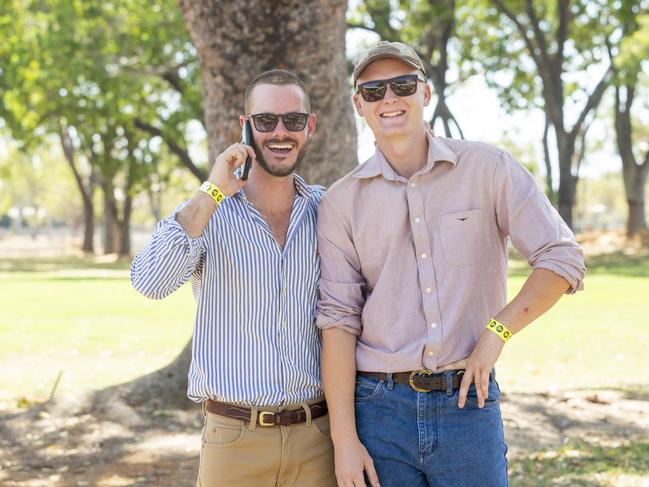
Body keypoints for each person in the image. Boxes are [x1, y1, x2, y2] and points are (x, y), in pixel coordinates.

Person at [316, 41, 586, 487]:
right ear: (358, 104)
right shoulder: (342, 203)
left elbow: (561, 257)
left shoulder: (488, 168)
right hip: (379, 411)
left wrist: (497, 332)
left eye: (402, 85)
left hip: (469, 403)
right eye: (374, 90)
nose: (389, 99)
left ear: (424, 93)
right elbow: (339, 321)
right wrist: (345, 440)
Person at [131, 69, 336, 487]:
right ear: (244, 126)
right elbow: (150, 282)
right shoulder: (209, 213)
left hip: (319, 437)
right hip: (234, 440)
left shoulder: (328, 211)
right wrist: (212, 191)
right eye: (265, 121)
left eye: (293, 120)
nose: (280, 132)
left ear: (309, 127)